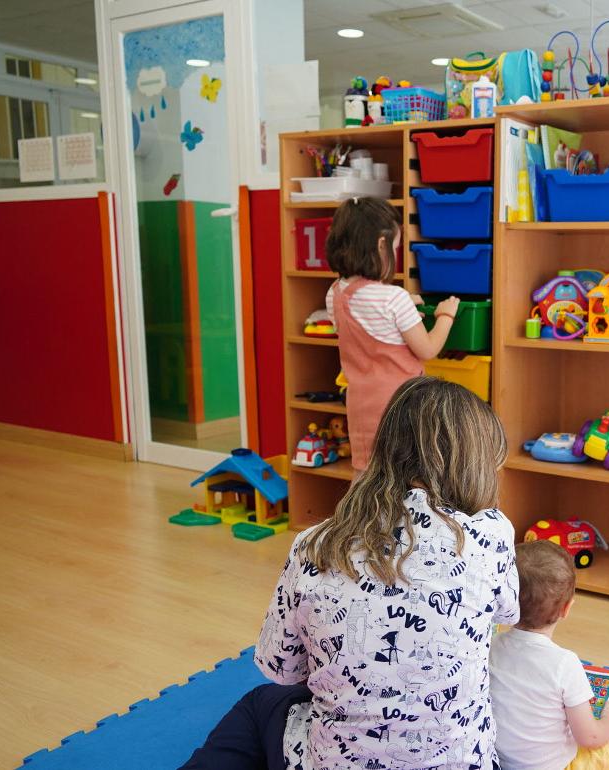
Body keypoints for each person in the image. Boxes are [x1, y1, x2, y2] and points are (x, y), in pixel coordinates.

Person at [181, 377, 517, 770]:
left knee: (262, 703)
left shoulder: (315, 545)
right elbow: (509, 613)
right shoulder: (492, 534)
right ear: (473, 464)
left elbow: (282, 670)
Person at [324, 197, 460, 471]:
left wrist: (404, 307)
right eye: (395, 247)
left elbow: (367, 326)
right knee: (403, 475)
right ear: (381, 246)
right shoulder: (393, 298)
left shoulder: (335, 293)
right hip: (400, 405)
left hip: (360, 404)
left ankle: (361, 515)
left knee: (368, 473)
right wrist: (446, 315)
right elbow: (428, 348)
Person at [489, 540, 609, 770]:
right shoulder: (565, 664)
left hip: (500, 762)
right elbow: (590, 738)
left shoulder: (492, 646)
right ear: (566, 608)